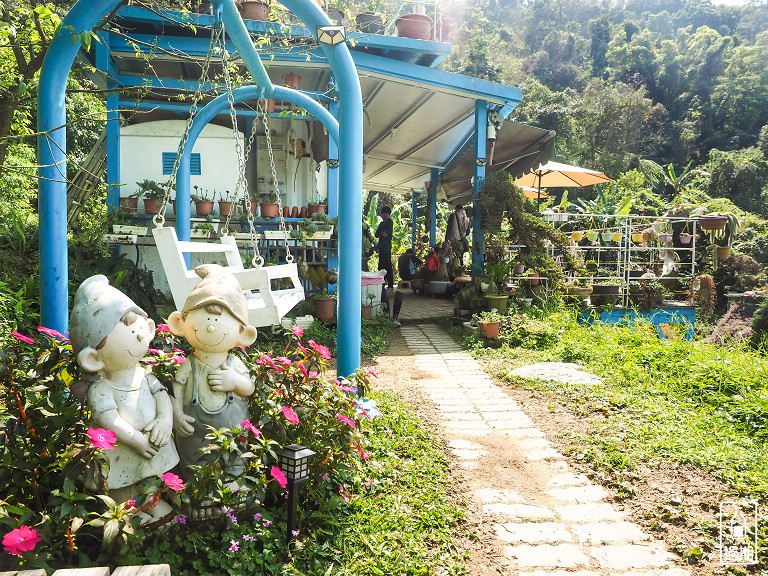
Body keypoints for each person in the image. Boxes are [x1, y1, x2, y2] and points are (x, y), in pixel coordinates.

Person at [70, 275, 179, 523]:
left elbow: (162, 395)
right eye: (127, 328)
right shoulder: (102, 388)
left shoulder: (145, 376)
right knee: (124, 491)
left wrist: (165, 420)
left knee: (149, 484)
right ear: (93, 358)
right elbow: (108, 419)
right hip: (124, 451)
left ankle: (152, 508)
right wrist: (136, 440)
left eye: (137, 325)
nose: (139, 335)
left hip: (149, 447)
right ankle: (128, 518)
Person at [166, 264, 258, 478]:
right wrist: (177, 415)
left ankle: (233, 484)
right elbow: (177, 387)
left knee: (233, 457)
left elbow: (248, 388)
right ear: (179, 324)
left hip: (230, 431)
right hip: (194, 430)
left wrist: (234, 381)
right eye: (205, 319)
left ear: (244, 335)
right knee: (193, 459)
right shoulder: (190, 365)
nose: (211, 327)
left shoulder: (234, 363)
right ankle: (196, 491)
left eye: (218, 321)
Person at [375, 206, 394, 288]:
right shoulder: (381, 223)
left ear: (388, 214)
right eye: (384, 213)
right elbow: (377, 234)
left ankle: (390, 284)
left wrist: (382, 233)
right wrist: (381, 233)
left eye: (386, 214)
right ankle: (382, 282)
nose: (384, 215)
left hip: (386, 247)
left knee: (387, 266)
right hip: (381, 247)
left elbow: (387, 234)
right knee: (381, 265)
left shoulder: (389, 222)